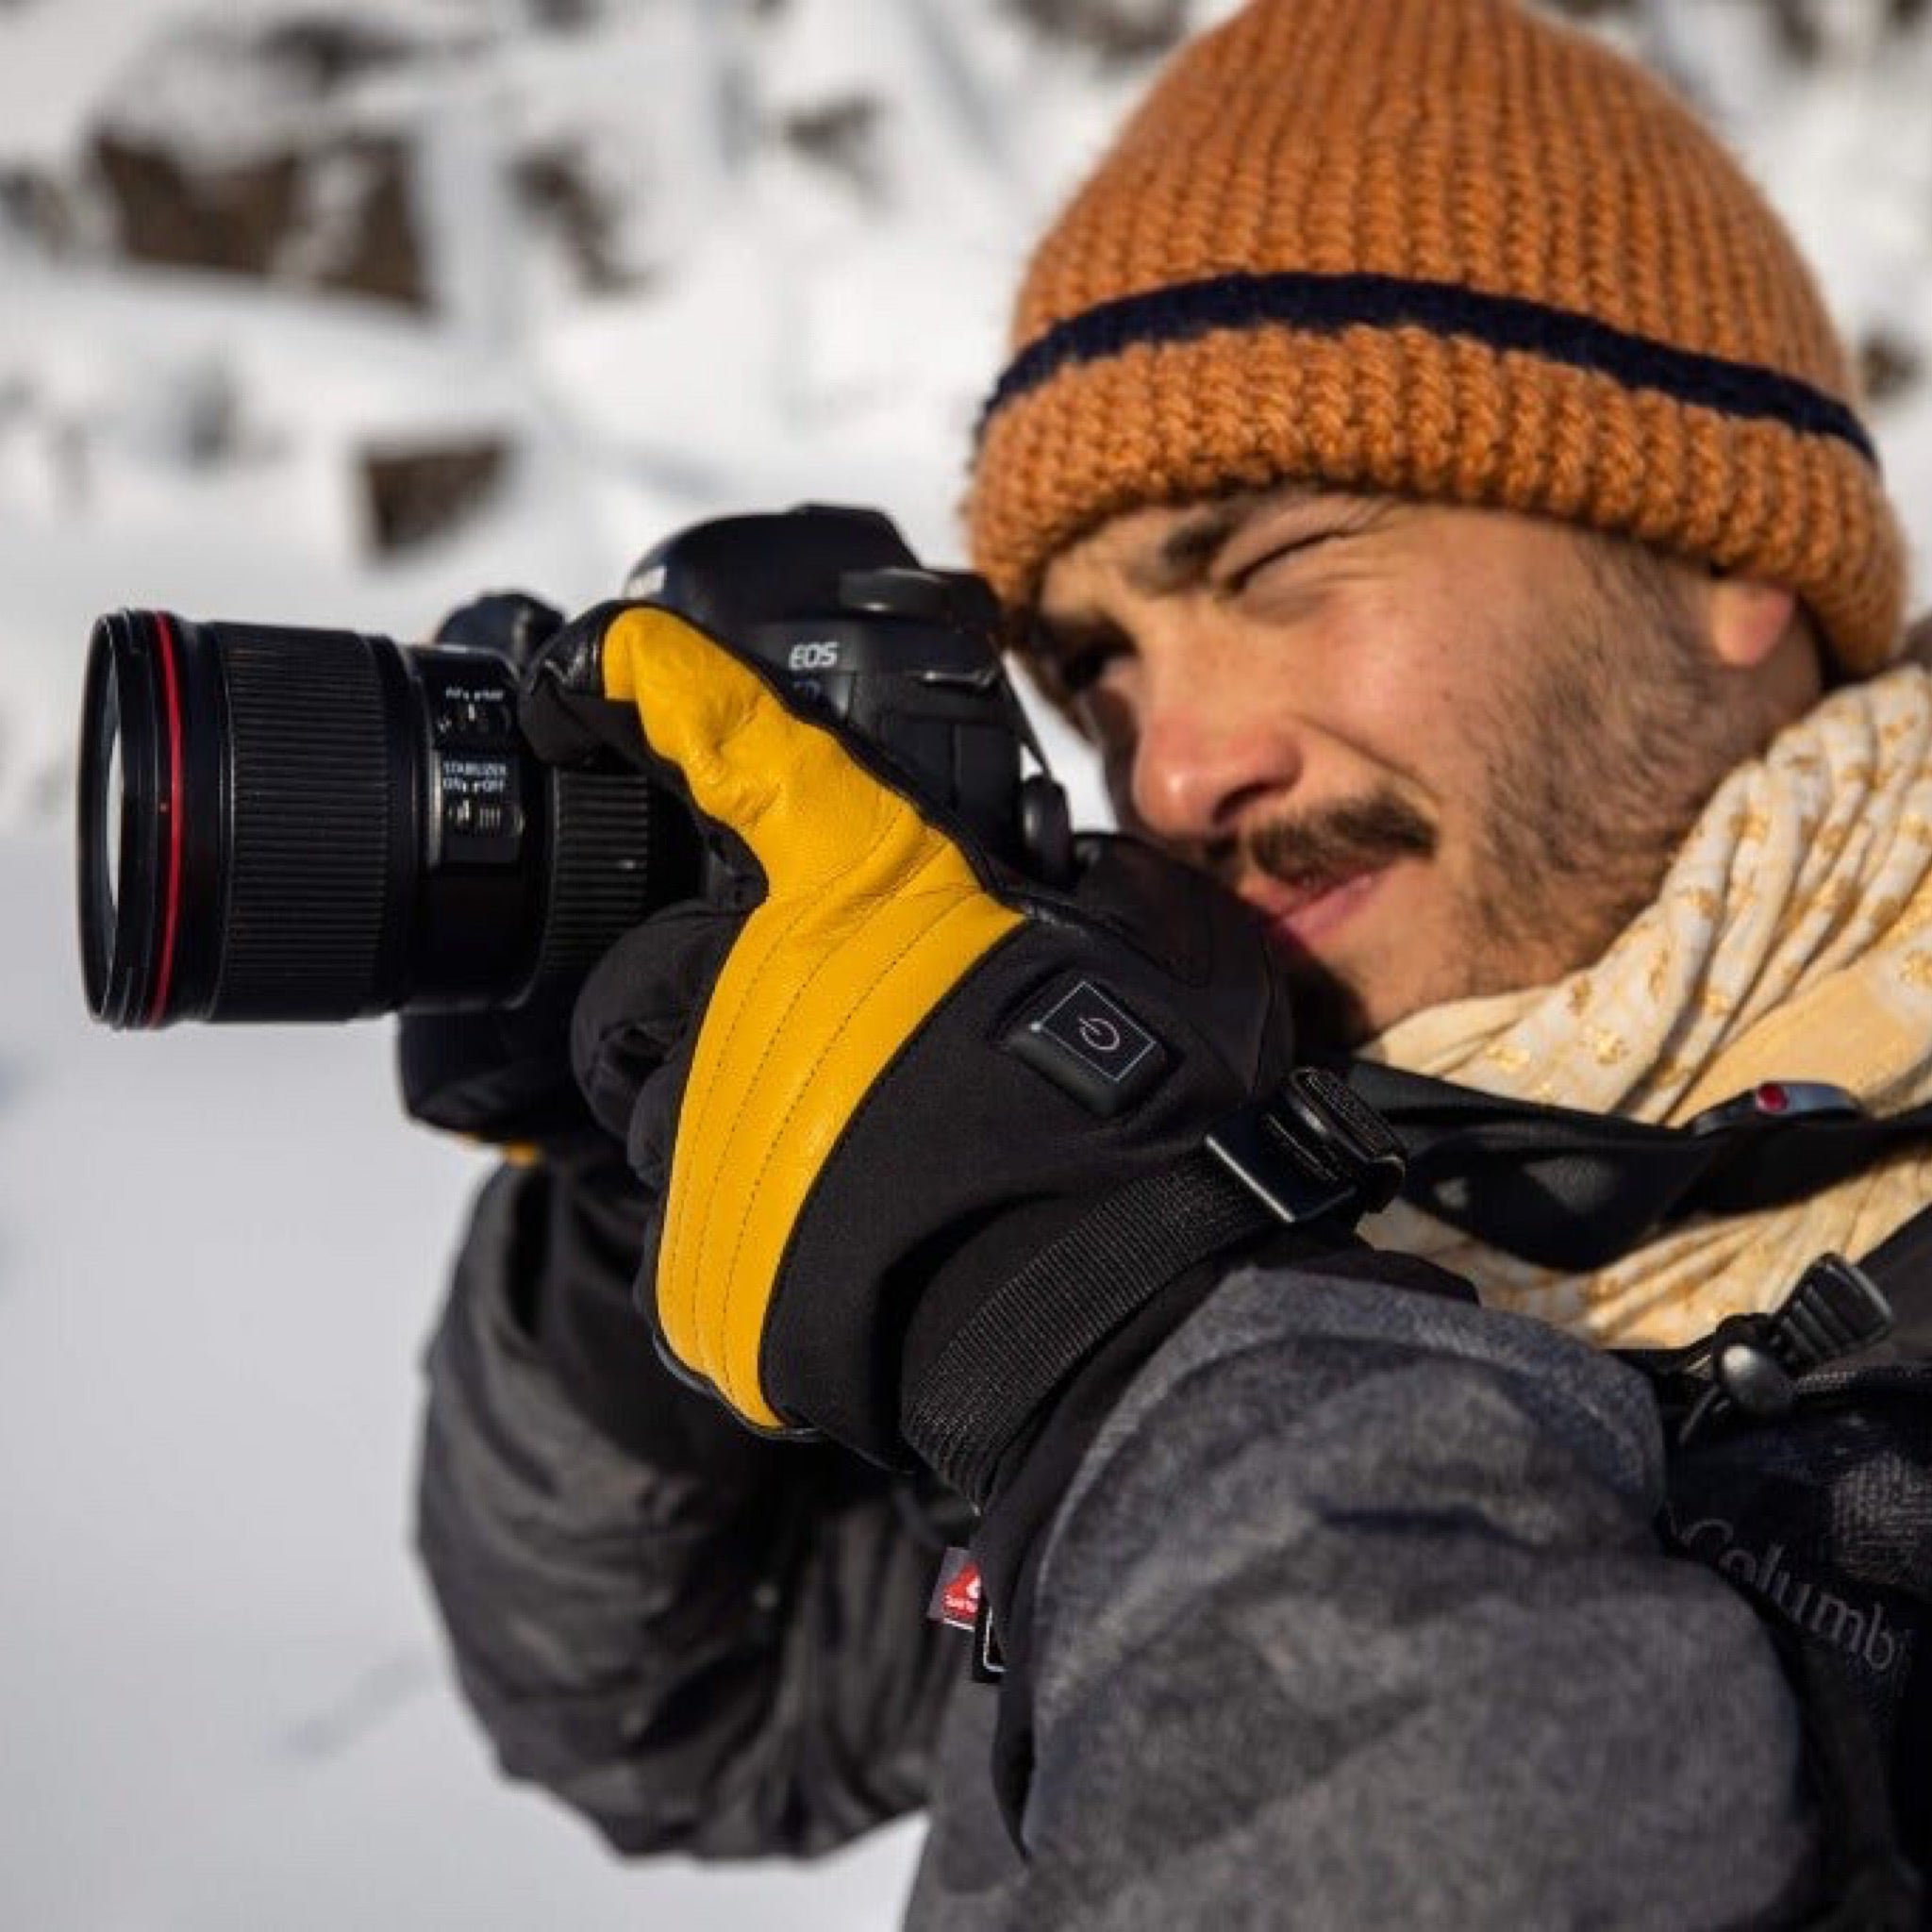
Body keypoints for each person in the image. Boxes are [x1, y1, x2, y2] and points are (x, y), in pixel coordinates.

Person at [411, 0, 1929, 1922]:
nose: (1177, 772)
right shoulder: (1287, 1161)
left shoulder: (1188, 1257)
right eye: (1101, 668)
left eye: (1279, 563)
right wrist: (666, 1173)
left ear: (1724, 555)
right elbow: (699, 1698)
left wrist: (1106, 1336)